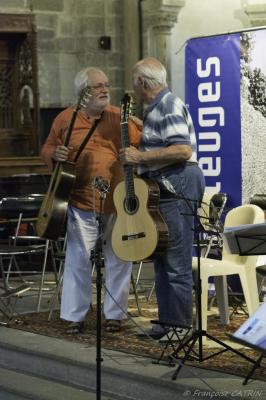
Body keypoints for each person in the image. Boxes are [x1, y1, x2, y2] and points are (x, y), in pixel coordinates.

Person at [41, 67, 141, 334]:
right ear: (83, 92)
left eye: (106, 85)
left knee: (120, 257)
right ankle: (75, 316)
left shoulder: (120, 119)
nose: (105, 90)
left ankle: (114, 315)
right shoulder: (65, 119)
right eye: (98, 86)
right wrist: (56, 153)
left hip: (118, 201)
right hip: (81, 200)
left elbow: (141, 146)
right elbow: (47, 148)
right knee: (79, 258)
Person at [119, 57, 205, 340]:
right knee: (161, 255)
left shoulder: (167, 105)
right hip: (167, 186)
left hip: (177, 183)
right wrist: (145, 127)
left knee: (176, 262)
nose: (134, 86)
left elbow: (182, 150)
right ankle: (167, 322)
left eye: (135, 82)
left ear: (143, 82)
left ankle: (178, 330)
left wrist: (139, 156)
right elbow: (168, 139)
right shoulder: (161, 107)